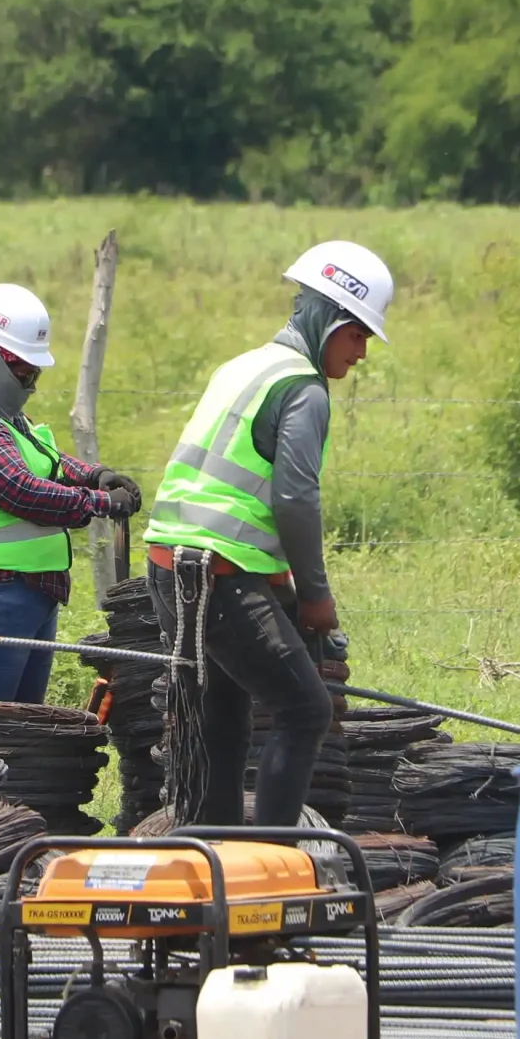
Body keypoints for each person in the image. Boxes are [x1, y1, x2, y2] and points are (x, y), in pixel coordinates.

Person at [142, 241, 389, 828]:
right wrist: (315, 596)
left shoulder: (243, 366)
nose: (361, 353)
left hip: (168, 567)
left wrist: (281, 594)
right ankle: (276, 869)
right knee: (305, 711)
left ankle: (211, 873)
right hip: (219, 578)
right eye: (358, 335)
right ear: (330, 319)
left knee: (221, 723)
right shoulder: (303, 387)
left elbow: (236, 498)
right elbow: (293, 497)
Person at [0, 283, 139, 731]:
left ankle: (2, 804)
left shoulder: (4, 419)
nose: (28, 381)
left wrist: (93, 474)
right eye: (21, 367)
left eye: (34, 370)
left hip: (27, 595)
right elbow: (23, 490)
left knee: (19, 733)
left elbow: (46, 462)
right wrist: (100, 502)